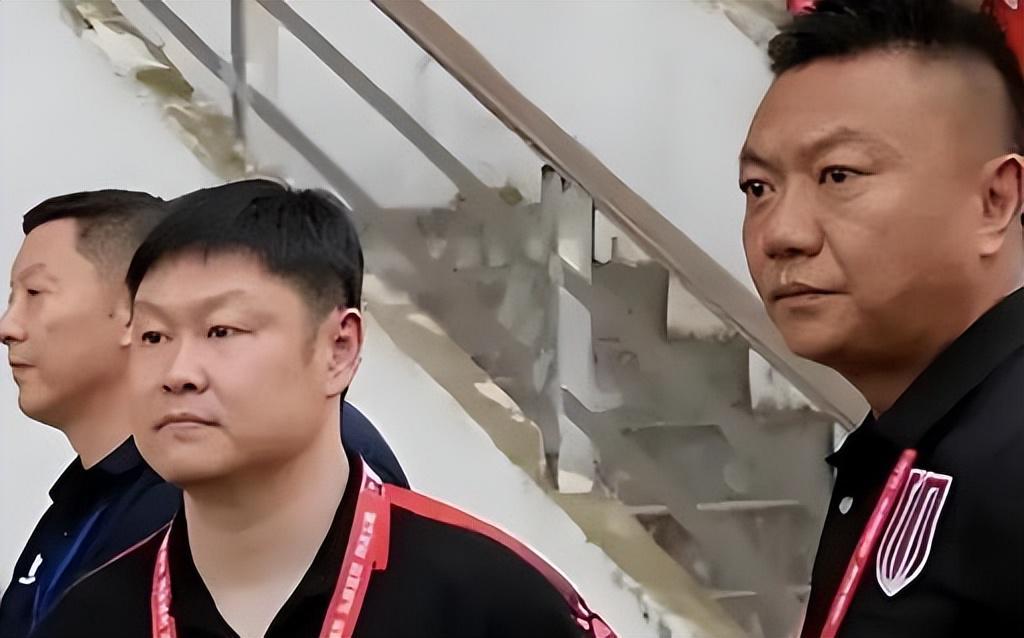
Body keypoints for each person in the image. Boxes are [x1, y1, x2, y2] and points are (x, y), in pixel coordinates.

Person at [30, 180, 613, 638]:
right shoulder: (90, 618)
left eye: (221, 330)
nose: (178, 372)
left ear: (339, 349)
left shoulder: (489, 603)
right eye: (154, 336)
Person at [0, 189, 405, 638]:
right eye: (159, 335)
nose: (8, 327)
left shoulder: (319, 460)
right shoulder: (97, 506)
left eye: (35, 293)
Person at [739, 1, 1024, 636]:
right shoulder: (913, 439)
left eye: (838, 175)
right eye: (758, 188)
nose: (780, 233)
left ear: (994, 200)